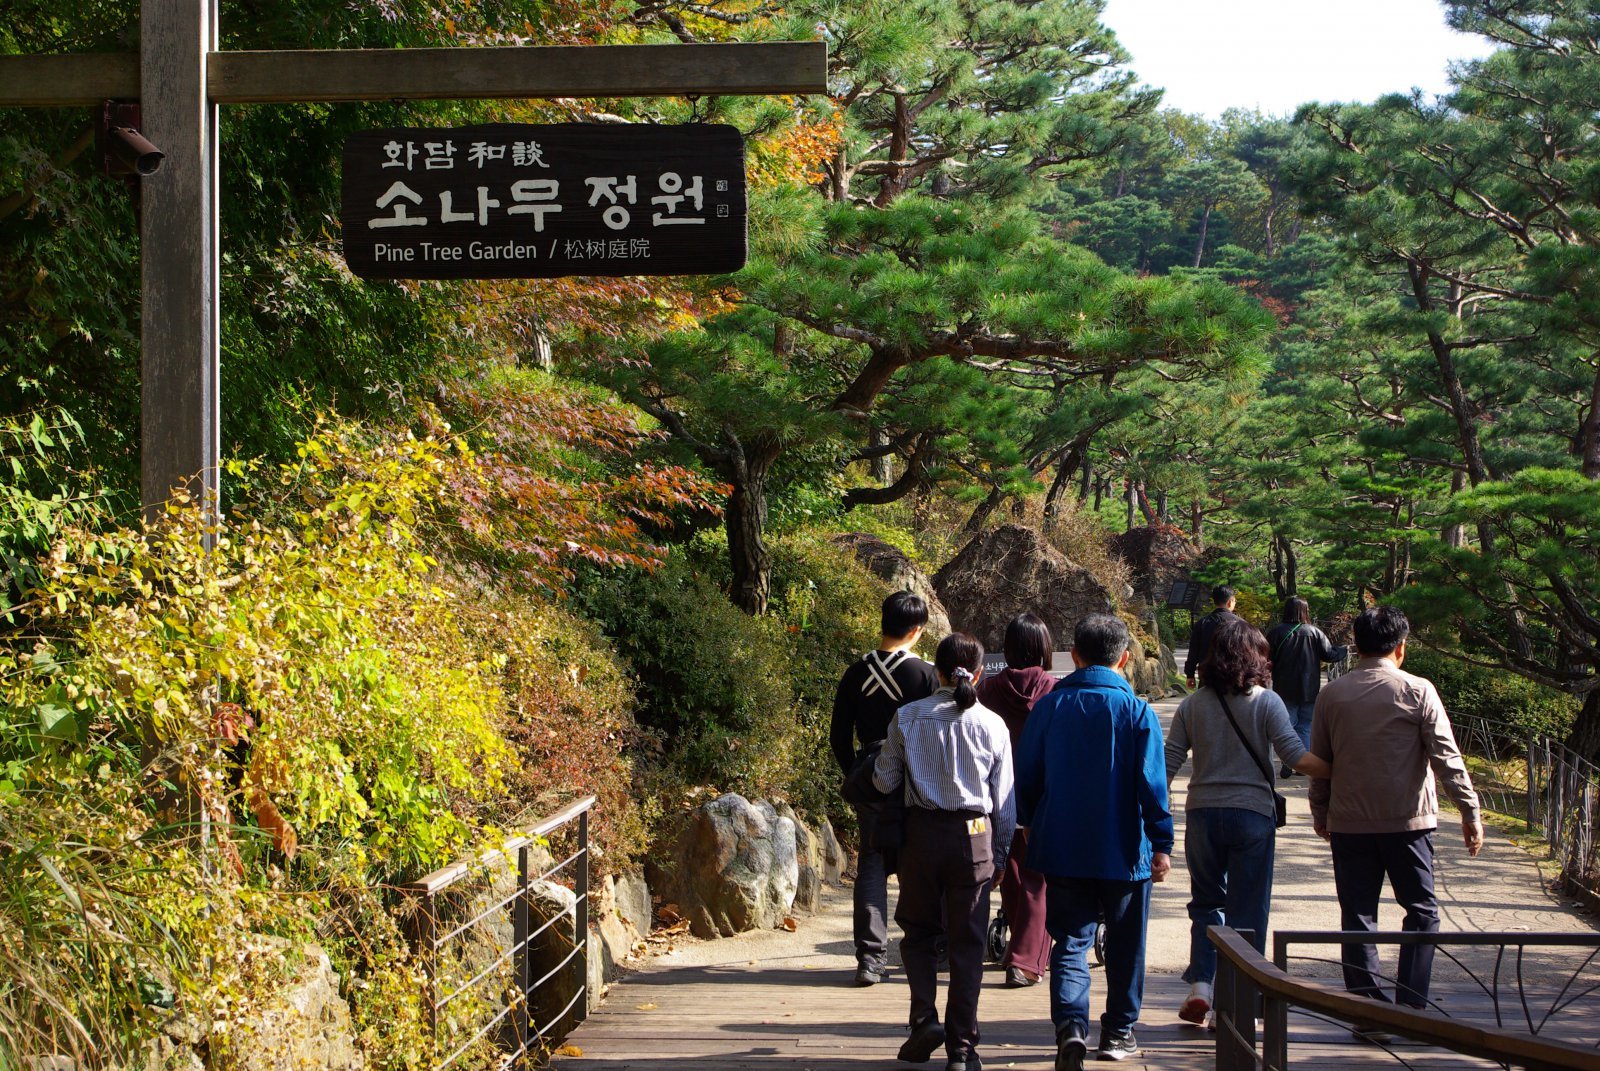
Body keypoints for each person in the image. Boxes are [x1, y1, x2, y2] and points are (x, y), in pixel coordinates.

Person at [1309, 606, 1484, 1020]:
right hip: (1408, 822)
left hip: (1350, 821)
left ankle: (1367, 1010)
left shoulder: (1331, 695)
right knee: (1422, 911)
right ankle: (1410, 1006)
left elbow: (1320, 761)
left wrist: (1321, 810)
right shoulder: (1418, 690)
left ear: (1356, 645)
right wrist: (1469, 809)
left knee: (1357, 914)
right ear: (1400, 648)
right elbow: (1446, 757)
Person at [1018, 614, 1173, 1068]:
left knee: (1069, 941)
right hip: (1125, 849)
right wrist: (1161, 842)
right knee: (1126, 943)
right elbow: (1153, 786)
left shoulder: (1048, 708)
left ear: (1076, 655)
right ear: (1124, 658)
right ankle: (1119, 1032)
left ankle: (1070, 1027)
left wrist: (1030, 824)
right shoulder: (1137, 712)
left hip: (1062, 846)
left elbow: (1027, 777)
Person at [1164, 618, 1332, 1027]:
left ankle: (1201, 985)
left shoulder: (1193, 704)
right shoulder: (1267, 702)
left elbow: (1167, 763)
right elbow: (1295, 755)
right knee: (1248, 911)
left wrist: (1153, 813)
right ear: (1256, 658)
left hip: (1203, 814)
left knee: (1206, 904)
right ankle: (1235, 1005)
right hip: (1253, 815)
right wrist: (1343, 769)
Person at [874, 633, 1014, 1071]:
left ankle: (923, 1019)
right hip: (974, 838)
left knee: (918, 933)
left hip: (920, 838)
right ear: (977, 674)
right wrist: (1002, 856)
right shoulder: (992, 725)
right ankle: (962, 1049)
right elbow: (1004, 803)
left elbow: (882, 782)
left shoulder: (907, 718)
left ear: (936, 672)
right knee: (968, 944)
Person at [831, 590, 940, 987]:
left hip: (870, 778)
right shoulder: (925, 674)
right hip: (915, 779)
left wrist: (857, 775)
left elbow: (838, 736)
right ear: (916, 630)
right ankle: (919, 950)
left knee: (872, 867)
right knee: (917, 866)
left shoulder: (855, 672)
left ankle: (870, 959)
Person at [975, 613, 1056, 989]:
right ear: (1043, 647)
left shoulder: (988, 691)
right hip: (1042, 796)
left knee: (1008, 874)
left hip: (997, 796)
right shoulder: (1054, 691)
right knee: (1039, 880)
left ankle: (1019, 950)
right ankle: (1025, 960)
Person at [1265, 598, 1347, 776]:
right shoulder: (1314, 632)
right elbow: (1329, 654)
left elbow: (1266, 658)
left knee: (1287, 725)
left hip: (1284, 687)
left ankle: (1288, 760)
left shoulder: (1276, 633)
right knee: (1304, 726)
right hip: (1309, 688)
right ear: (1305, 611)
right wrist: (1344, 650)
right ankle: (1303, 764)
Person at [1184, 585, 1242, 691]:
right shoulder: (1241, 625)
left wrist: (1190, 674)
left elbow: (1193, 652)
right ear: (1230, 601)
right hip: (1234, 677)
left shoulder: (1202, 623)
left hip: (1207, 677)